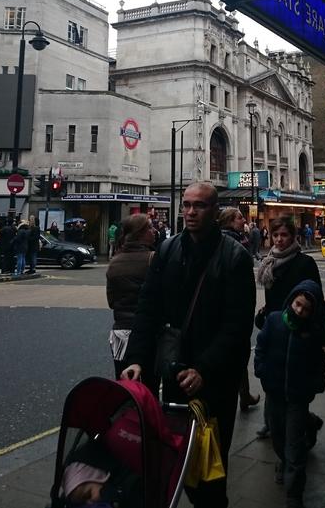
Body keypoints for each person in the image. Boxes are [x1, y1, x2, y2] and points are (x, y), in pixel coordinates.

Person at [121, 181, 256, 508]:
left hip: (214, 379)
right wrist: (137, 357)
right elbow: (148, 307)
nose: (191, 212)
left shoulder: (234, 258)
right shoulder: (168, 250)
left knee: (209, 470)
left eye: (200, 206)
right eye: (187, 205)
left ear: (214, 211)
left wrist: (205, 368)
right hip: (175, 372)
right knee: (173, 457)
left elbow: (237, 327)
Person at [254, 280, 325, 508]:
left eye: (306, 309)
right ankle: (288, 457)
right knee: (278, 436)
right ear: (291, 301)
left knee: (294, 446)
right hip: (274, 392)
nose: (299, 311)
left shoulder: (313, 333)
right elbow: (261, 346)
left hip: (297, 396)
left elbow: (318, 363)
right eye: (297, 304)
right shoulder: (275, 320)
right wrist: (261, 370)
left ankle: (294, 493)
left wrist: (315, 385)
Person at [255, 217, 325, 442]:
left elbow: (316, 300)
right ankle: (272, 422)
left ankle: (304, 423)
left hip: (298, 330)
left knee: (293, 386)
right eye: (275, 235)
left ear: (293, 236)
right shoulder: (270, 261)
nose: (279, 239)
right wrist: (265, 314)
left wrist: (322, 337)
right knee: (273, 379)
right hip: (276, 327)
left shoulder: (304, 263)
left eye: (284, 235)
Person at [218, 207, 260, 411]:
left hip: (230, 303)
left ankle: (244, 395)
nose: (244, 220)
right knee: (236, 351)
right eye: (240, 217)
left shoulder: (236, 238)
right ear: (229, 221)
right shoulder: (233, 241)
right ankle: (239, 395)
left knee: (237, 352)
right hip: (231, 304)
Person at [106, 214, 155, 380]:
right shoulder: (153, 259)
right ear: (139, 233)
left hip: (120, 331)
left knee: (123, 385)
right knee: (149, 385)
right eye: (149, 227)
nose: (153, 231)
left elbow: (111, 301)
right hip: (147, 331)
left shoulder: (114, 261)